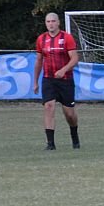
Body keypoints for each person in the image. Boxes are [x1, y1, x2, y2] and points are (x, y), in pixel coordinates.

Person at [32, 12, 82, 150]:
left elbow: (75, 58)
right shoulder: (41, 39)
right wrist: (35, 81)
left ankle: (74, 136)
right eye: (48, 22)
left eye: (53, 21)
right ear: (45, 23)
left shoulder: (67, 38)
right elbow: (39, 61)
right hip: (48, 79)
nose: (51, 24)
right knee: (48, 107)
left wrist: (64, 70)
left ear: (58, 22)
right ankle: (50, 144)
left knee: (69, 114)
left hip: (65, 80)